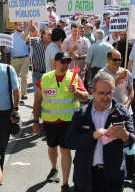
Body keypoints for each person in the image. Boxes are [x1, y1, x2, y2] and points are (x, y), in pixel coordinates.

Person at [66, 72, 135, 192]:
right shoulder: (82, 114)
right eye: (101, 93)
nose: (106, 97)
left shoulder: (122, 112)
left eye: (109, 93)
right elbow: (70, 141)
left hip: (113, 176)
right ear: (93, 92)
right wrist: (91, 136)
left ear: (113, 90)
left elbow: (133, 139)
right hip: (85, 175)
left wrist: (126, 136)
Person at [33, 51, 89, 192]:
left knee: (65, 149)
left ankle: (65, 183)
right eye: (63, 61)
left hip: (68, 121)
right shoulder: (45, 78)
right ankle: (54, 168)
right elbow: (37, 101)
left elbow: (86, 97)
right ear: (55, 62)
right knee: (52, 148)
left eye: (68, 62)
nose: (66, 64)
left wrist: (76, 92)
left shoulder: (74, 77)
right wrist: (35, 121)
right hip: (50, 121)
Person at [98, 49, 135, 181]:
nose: (118, 62)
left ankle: (130, 172)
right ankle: (111, 171)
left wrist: (127, 104)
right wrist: (118, 78)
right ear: (108, 60)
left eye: (120, 60)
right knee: (111, 142)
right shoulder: (102, 73)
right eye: (115, 60)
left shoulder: (126, 73)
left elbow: (131, 91)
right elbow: (107, 89)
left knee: (129, 140)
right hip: (109, 112)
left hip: (125, 111)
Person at [0, 64, 20, 184]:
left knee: (1, 148)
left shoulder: (8, 69)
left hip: (5, 115)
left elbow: (16, 91)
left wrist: (15, 110)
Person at [22, 21, 52, 96]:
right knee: (37, 95)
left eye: (51, 35)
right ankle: (37, 108)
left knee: (47, 95)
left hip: (48, 73)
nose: (50, 36)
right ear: (43, 35)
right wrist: (28, 28)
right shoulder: (36, 41)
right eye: (48, 35)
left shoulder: (53, 44)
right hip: (37, 73)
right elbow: (24, 38)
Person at [4, 21, 30, 101]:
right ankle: (17, 92)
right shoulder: (11, 36)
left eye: (22, 24)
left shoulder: (27, 35)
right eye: (19, 24)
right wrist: (6, 49)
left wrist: (29, 56)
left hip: (25, 58)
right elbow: (8, 47)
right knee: (16, 77)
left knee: (24, 77)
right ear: (15, 26)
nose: (21, 26)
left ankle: (24, 94)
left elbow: (31, 46)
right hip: (15, 59)